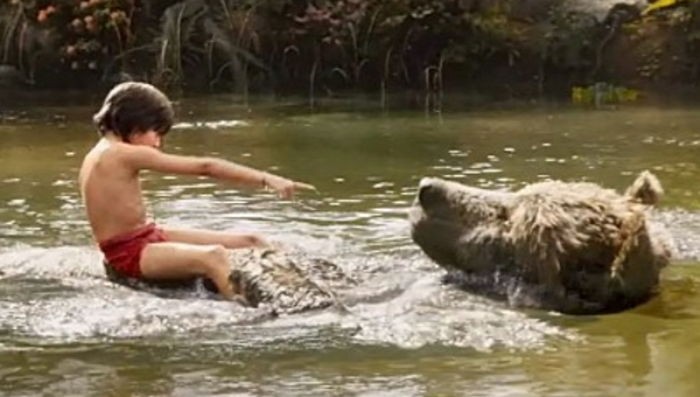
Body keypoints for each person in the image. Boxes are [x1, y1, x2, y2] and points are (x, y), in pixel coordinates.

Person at [78, 82, 315, 300]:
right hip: (130, 254)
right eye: (157, 132)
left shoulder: (97, 153)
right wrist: (265, 178)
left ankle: (301, 284)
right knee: (214, 256)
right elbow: (206, 167)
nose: (158, 143)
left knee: (252, 241)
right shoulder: (123, 154)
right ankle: (253, 308)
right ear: (136, 124)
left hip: (144, 237)